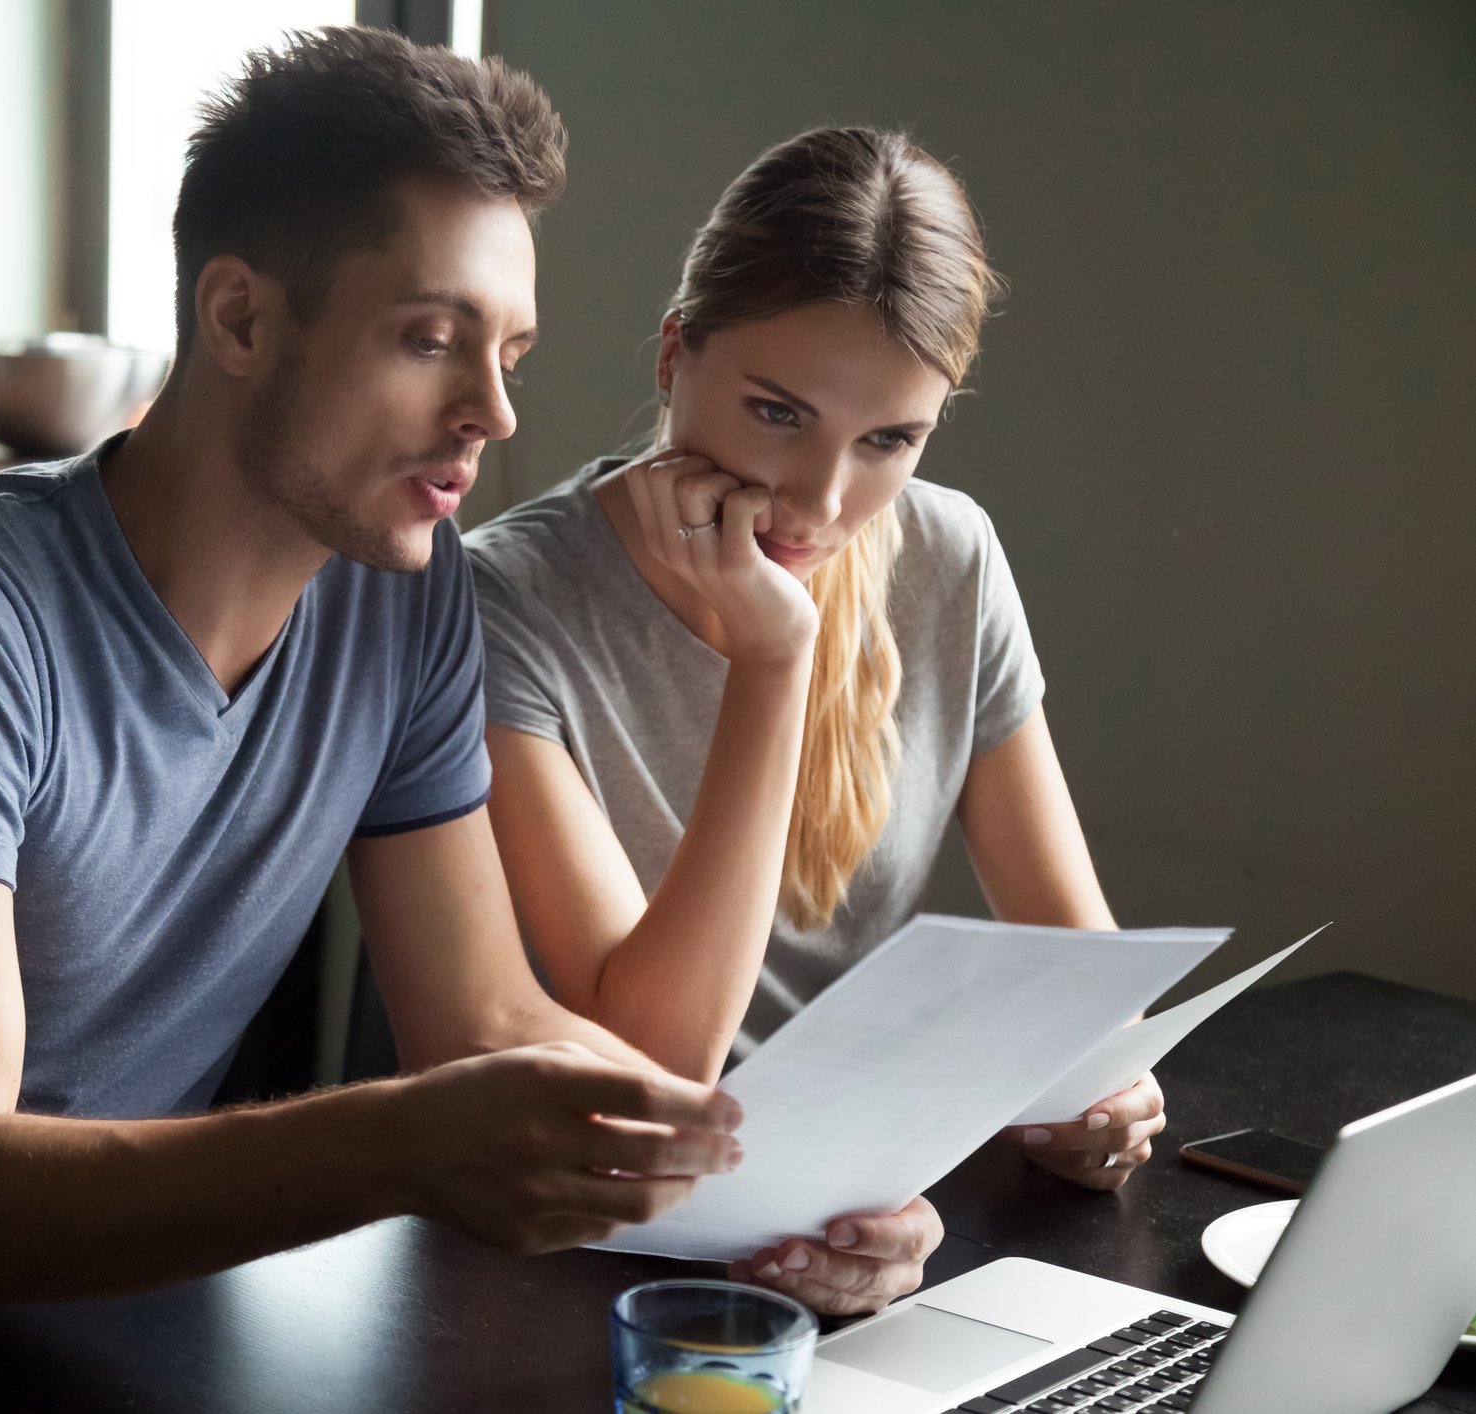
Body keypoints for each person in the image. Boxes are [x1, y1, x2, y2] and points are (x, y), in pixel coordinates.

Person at [0, 28, 747, 1346]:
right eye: (432, 338)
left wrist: (769, 1188)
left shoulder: (409, 595)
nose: (493, 410)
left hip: (102, 1336)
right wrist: (396, 1142)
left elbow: (484, 1017)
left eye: (511, 355)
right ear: (240, 316)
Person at [465, 127, 1164, 1317]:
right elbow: (657, 1058)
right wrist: (776, 657)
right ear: (676, 351)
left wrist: (1102, 1099)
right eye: (778, 412)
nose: (824, 501)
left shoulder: (949, 557)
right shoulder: (502, 599)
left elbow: (1082, 977)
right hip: (564, 1245)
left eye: (890, 439)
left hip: (835, 1208)